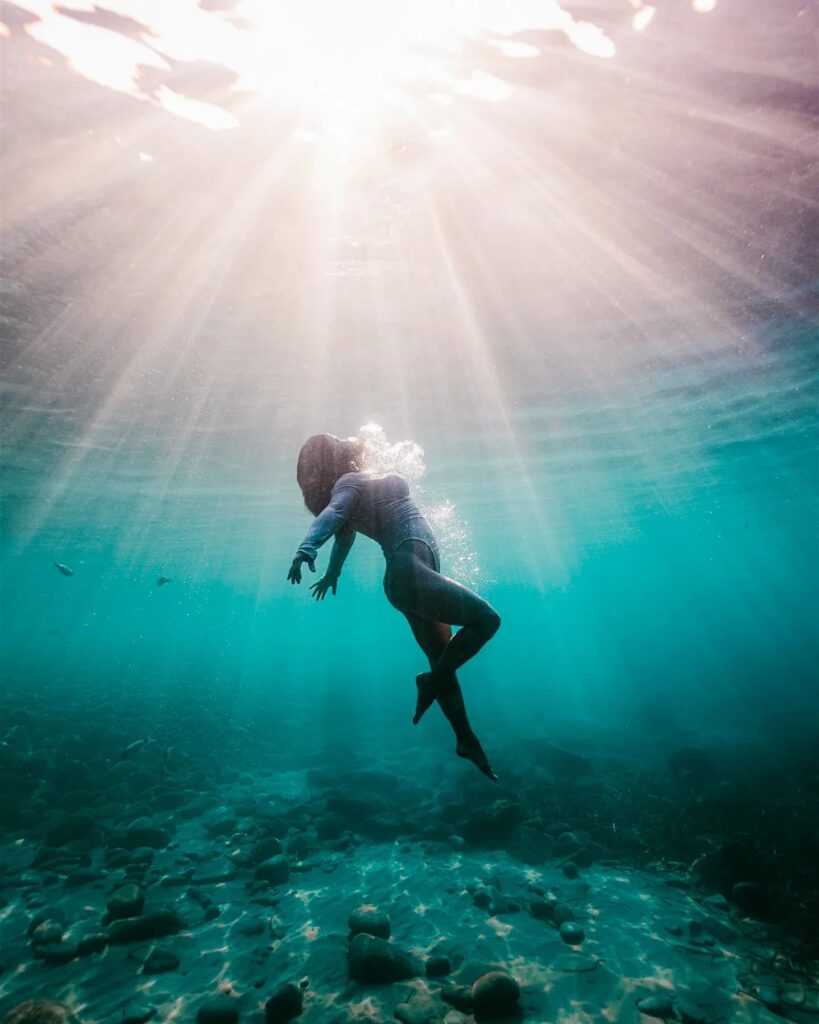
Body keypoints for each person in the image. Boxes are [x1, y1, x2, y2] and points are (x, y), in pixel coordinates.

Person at [287, 433, 501, 780]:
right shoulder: (349, 481)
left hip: (409, 579)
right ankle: (430, 684)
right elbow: (333, 514)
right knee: (487, 620)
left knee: (442, 656)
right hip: (409, 574)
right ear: (333, 459)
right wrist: (306, 549)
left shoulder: (356, 484)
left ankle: (465, 739)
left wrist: (332, 573)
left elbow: (344, 535)